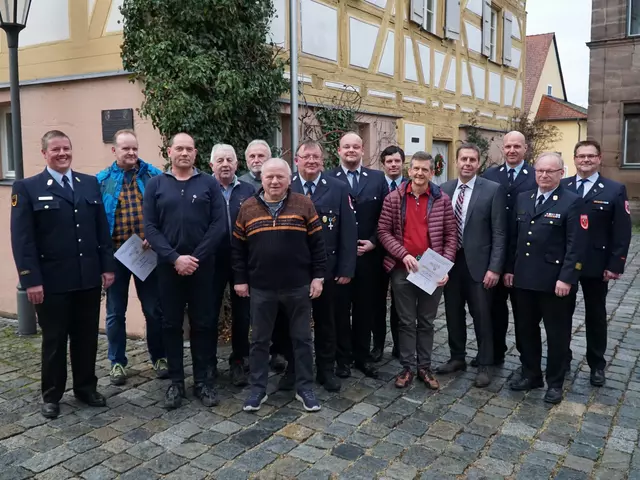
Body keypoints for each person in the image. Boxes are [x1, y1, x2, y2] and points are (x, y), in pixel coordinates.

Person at [11, 130, 115, 419]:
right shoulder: (27, 188)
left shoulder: (89, 184)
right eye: (55, 149)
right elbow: (22, 240)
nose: (62, 153)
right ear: (44, 153)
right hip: (52, 282)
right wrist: (30, 280)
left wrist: (107, 267)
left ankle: (85, 387)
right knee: (55, 340)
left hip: (87, 278)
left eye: (66, 148)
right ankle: (52, 395)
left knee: (86, 337)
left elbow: (101, 231)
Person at [232, 158, 327, 412]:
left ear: (289, 179)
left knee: (302, 339)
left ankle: (304, 388)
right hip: (261, 287)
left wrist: (318, 276)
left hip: (298, 286)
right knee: (260, 341)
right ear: (261, 179)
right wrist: (240, 279)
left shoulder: (304, 204)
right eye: (269, 177)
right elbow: (238, 249)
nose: (274, 181)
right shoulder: (248, 207)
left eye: (280, 177)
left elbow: (318, 245)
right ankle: (257, 389)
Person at [143, 133, 226, 409]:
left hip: (203, 269)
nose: (184, 153)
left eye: (189, 149)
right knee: (170, 324)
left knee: (203, 323)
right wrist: (175, 258)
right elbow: (151, 228)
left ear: (196, 153)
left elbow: (218, 225)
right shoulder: (155, 185)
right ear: (169, 152)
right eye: (179, 148)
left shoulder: (209, 184)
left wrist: (194, 258)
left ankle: (203, 381)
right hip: (168, 269)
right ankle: (176, 382)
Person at [274, 140, 357, 393]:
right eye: (306, 156)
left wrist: (346, 268)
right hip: (293, 271)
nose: (311, 161)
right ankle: (293, 369)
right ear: (296, 160)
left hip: (328, 270)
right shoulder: (285, 186)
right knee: (291, 323)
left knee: (326, 322)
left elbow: (348, 232)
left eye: (316, 157)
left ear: (323, 160)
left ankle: (326, 370)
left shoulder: (338, 188)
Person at [505, 152, 586, 404]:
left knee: (557, 334)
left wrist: (567, 278)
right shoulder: (524, 198)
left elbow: (577, 245)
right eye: (540, 170)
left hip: (555, 283)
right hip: (524, 280)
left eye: (550, 171)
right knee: (525, 330)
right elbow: (513, 239)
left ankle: (555, 382)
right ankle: (531, 373)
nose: (544, 175)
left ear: (561, 173)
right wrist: (509, 269)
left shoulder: (572, 202)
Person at [377, 151, 457, 390]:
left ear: (432, 173)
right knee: (406, 321)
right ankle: (407, 368)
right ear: (408, 171)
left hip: (432, 271)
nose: (420, 173)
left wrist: (446, 265)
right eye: (416, 169)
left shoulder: (442, 199)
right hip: (403, 269)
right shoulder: (394, 198)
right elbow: (383, 231)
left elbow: (451, 236)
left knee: (426, 321)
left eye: (425, 169)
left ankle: (425, 367)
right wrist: (403, 254)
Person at [96, 129, 168, 386]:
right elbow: (96, 221)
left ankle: (159, 357)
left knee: (153, 309)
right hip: (115, 256)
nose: (131, 153)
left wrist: (156, 235)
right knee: (116, 312)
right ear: (114, 150)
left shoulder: (153, 176)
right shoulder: (102, 181)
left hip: (146, 253)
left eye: (135, 148)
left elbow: (166, 212)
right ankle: (117, 362)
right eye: (126, 148)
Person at [560, 140, 632, 386]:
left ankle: (596, 364)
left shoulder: (614, 189)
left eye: (591, 156)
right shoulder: (563, 186)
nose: (586, 160)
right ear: (574, 159)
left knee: (596, 316)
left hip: (596, 263)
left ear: (599, 159)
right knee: (561, 314)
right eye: (581, 156)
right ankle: (563, 358)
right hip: (565, 264)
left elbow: (622, 231)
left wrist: (615, 264)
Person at [438, 143, 507, 388]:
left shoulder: (492, 190)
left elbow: (500, 232)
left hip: (479, 266)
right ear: (455, 162)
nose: (467, 163)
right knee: (453, 313)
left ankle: (485, 363)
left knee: (482, 316)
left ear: (479, 164)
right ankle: (457, 358)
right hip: (450, 264)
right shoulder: (444, 189)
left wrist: (495, 268)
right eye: (463, 159)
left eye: (472, 160)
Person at [328, 132, 388, 379]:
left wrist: (374, 242)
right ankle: (342, 358)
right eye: (346, 147)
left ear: (363, 149)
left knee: (365, 310)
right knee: (340, 311)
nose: (351, 150)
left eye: (355, 146)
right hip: (339, 259)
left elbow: (386, 217)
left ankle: (362, 357)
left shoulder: (377, 178)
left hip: (368, 258)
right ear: (338, 151)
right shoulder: (329, 178)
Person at [482, 131, 536, 366]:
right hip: (494, 253)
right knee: (494, 309)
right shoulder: (490, 175)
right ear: (502, 149)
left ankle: (527, 360)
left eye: (517, 146)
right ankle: (495, 352)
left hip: (523, 254)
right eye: (508, 146)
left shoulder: (536, 175)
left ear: (525, 148)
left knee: (524, 313)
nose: (512, 150)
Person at [209, 143, 255, 386]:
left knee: (242, 315)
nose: (225, 164)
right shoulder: (204, 188)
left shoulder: (248, 191)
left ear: (237, 164)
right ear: (211, 165)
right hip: (211, 262)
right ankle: (207, 362)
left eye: (230, 160)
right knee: (207, 313)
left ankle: (239, 360)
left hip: (242, 262)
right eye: (220, 160)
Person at [376, 145, 405, 360]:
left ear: (402, 163)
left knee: (400, 303)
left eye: (397, 161)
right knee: (376, 302)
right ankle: (378, 345)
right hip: (376, 253)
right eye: (389, 161)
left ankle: (399, 344)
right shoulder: (375, 184)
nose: (393, 165)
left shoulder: (411, 186)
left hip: (402, 254)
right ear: (383, 164)